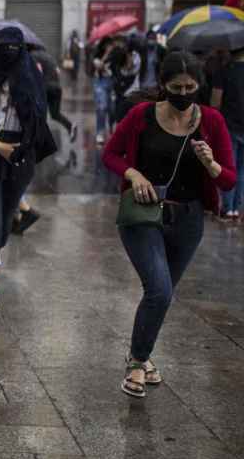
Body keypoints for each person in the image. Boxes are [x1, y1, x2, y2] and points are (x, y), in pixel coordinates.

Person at [102, 52, 237, 398]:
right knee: (159, 289)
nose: (184, 93)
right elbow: (110, 155)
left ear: (199, 87)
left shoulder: (212, 121)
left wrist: (211, 164)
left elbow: (230, 181)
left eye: (191, 87)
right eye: (177, 87)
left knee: (161, 295)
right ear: (164, 85)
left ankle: (141, 356)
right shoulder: (141, 116)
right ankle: (137, 363)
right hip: (143, 216)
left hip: (188, 220)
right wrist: (133, 174)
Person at [0, 27, 56, 312]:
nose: (9, 53)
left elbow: (40, 120)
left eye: (13, 48)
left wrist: (19, 148)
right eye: (3, 47)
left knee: (4, 223)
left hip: (20, 156)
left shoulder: (31, 78)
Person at [211, 48, 244, 221]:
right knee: (242, 170)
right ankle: (236, 209)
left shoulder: (223, 71)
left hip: (229, 126)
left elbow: (215, 102)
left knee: (228, 167)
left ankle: (226, 208)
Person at [29, 45, 77, 142]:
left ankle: (38, 139)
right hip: (56, 88)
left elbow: (38, 71)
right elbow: (58, 72)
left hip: (44, 88)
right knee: (55, 114)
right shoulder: (49, 57)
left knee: (39, 113)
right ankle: (70, 126)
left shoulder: (32, 55)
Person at [92, 37, 117, 144]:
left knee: (112, 109)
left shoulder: (116, 56)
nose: (109, 47)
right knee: (101, 107)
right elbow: (99, 67)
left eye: (110, 45)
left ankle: (111, 129)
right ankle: (100, 132)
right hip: (100, 82)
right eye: (107, 45)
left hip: (113, 83)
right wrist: (107, 54)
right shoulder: (97, 57)